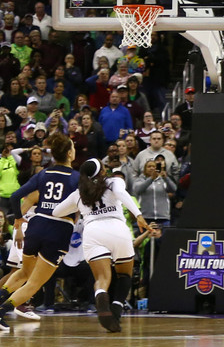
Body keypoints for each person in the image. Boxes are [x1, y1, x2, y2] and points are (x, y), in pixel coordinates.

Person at [49, 159, 150, 332]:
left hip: (93, 231)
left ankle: (101, 301)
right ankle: (116, 310)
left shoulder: (78, 193)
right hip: (117, 229)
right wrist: (138, 215)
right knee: (124, 274)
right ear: (102, 171)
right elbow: (121, 193)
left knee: (102, 278)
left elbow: (56, 212)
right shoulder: (114, 181)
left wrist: (74, 211)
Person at [0, 133, 78, 332]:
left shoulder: (43, 173)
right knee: (34, 283)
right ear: (69, 153)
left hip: (36, 225)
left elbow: (15, 196)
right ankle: (1, 312)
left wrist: (18, 219)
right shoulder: (77, 178)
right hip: (58, 229)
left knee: (23, 273)